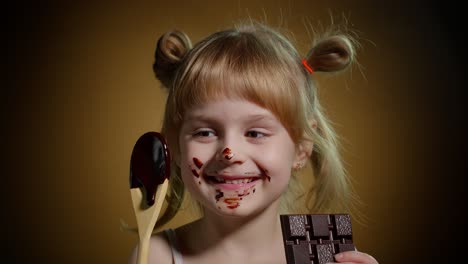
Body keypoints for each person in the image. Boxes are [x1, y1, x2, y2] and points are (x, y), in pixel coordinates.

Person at [129, 20, 378, 264]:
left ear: (301, 147)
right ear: (175, 146)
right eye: (205, 132)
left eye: (255, 133)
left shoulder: (325, 253)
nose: (229, 153)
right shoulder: (157, 256)